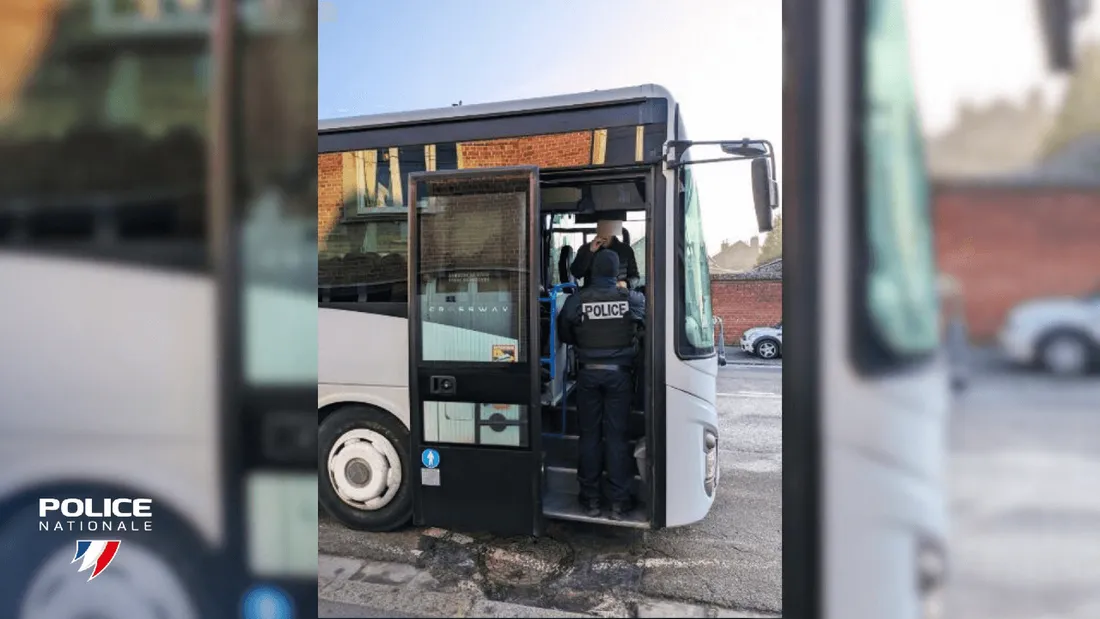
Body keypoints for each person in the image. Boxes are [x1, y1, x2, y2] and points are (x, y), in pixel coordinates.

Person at [558, 250, 645, 519]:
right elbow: (647, 324)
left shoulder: (577, 300)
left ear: (593, 270)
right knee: (617, 437)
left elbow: (564, 333)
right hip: (619, 377)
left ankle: (591, 500)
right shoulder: (631, 299)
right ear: (616, 271)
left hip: (588, 375)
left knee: (590, 436)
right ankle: (619, 503)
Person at [569, 217, 640, 289]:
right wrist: (590, 252)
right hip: (592, 293)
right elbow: (576, 273)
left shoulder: (626, 250)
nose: (604, 233)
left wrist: (626, 284)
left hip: (619, 292)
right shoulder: (585, 249)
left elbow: (635, 277)